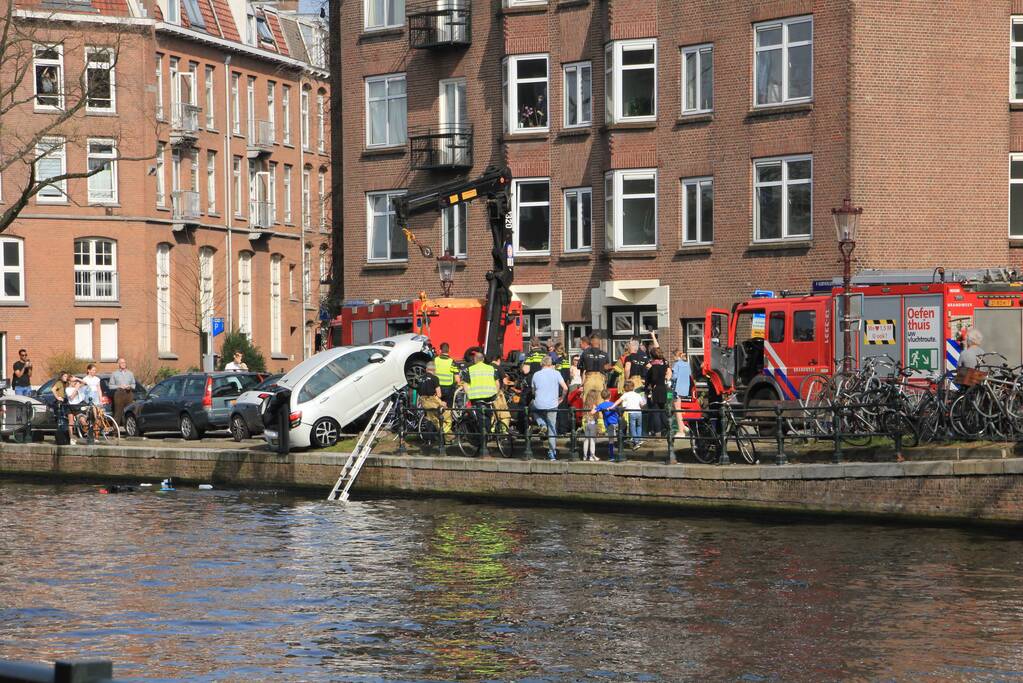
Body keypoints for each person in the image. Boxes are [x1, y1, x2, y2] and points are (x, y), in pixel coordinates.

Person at [531, 355, 567, 461]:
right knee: (552, 428)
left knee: (532, 407)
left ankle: (541, 424)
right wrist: (561, 398)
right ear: (551, 364)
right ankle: (552, 452)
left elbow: (533, 392)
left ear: (541, 364)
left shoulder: (536, 374)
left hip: (539, 404)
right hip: (553, 404)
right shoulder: (556, 373)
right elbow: (565, 388)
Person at [464, 351, 500, 449]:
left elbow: (466, 385)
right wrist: (495, 394)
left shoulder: (470, 369)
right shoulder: (491, 368)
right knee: (488, 417)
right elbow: (497, 383)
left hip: (477, 398)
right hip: (489, 397)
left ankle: (482, 441)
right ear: (483, 359)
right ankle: (486, 436)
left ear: (475, 360)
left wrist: (469, 395)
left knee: (480, 420)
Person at [417, 361, 451, 437]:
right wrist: (442, 402)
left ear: (426, 369)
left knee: (433, 419)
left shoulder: (419, 379)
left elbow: (419, 392)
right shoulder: (435, 378)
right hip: (432, 401)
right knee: (448, 415)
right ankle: (447, 436)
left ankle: (436, 437)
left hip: (423, 402)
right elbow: (439, 394)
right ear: (434, 370)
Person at [611, 380, 647, 449]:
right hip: (639, 412)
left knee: (632, 427)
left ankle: (636, 441)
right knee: (639, 426)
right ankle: (639, 439)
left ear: (625, 388)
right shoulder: (637, 394)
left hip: (632, 413)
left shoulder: (626, 394)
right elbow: (642, 404)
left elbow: (618, 401)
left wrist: (612, 406)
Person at [645, 347, 670, 437]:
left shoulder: (653, 368)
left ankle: (658, 432)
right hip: (663, 389)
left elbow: (653, 379)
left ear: (652, 356)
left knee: (655, 412)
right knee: (662, 411)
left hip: (655, 391)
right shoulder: (663, 366)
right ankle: (668, 428)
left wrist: (650, 385)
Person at [593, 389, 620, 462]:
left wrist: (594, 407)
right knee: (618, 438)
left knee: (611, 440)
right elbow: (619, 411)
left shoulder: (601, 405)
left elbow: (593, 411)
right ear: (610, 396)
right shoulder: (613, 404)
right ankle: (618, 454)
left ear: (602, 397)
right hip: (616, 422)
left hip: (609, 424)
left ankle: (611, 456)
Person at [671, 350, 693, 437]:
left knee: (677, 409)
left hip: (676, 388)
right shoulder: (687, 364)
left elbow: (674, 376)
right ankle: (683, 426)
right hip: (685, 388)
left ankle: (681, 431)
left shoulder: (676, 364)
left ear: (676, 356)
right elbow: (690, 374)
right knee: (675, 406)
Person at [109, 358, 136, 424]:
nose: (123, 364)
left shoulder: (130, 373)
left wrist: (130, 387)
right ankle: (115, 431)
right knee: (118, 413)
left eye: (124, 362)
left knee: (129, 413)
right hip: (119, 394)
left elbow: (134, 384)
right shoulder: (114, 374)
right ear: (118, 364)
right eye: (121, 363)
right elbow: (110, 386)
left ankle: (129, 430)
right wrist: (119, 386)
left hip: (129, 394)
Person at [580, 389, 602, 461]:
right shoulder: (594, 405)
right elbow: (595, 414)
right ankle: (592, 456)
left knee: (586, 440)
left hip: (586, 423)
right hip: (592, 423)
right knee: (592, 440)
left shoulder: (586, 405)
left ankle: (584, 456)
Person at [434, 342, 457, 406]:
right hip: (448, 388)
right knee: (448, 407)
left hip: (437, 387)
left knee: (437, 406)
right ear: (449, 350)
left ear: (440, 350)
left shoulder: (435, 360)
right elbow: (457, 378)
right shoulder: (452, 361)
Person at [51, 371, 71, 444]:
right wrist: (58, 397)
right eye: (65, 376)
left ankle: (63, 437)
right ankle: (60, 437)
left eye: (66, 376)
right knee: (61, 419)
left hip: (63, 402)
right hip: (59, 402)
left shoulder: (64, 384)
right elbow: (53, 389)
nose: (66, 378)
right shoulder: (59, 383)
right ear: (61, 377)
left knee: (63, 419)